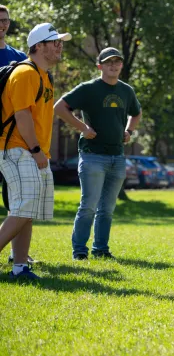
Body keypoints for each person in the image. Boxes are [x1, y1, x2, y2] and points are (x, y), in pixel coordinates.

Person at [54, 47, 141, 260]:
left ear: (121, 65)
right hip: (92, 156)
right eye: (108, 62)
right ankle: (79, 252)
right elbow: (59, 107)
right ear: (100, 66)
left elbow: (136, 113)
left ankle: (101, 249)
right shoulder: (88, 89)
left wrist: (128, 131)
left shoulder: (126, 90)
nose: (113, 65)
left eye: (117, 62)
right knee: (89, 207)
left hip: (117, 157)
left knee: (107, 209)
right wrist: (83, 128)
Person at [0, 22, 71, 280]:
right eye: (55, 42)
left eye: (60, 41)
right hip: (18, 149)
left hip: (30, 150)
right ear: (39, 46)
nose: (60, 46)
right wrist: (36, 149)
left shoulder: (44, 75)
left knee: (25, 211)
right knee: (23, 208)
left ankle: (20, 268)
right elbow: (22, 116)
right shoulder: (26, 73)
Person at [0, 5, 35, 267]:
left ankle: (17, 255)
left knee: (17, 196)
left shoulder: (19, 57)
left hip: (11, 138)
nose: (2, 24)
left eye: (5, 20)